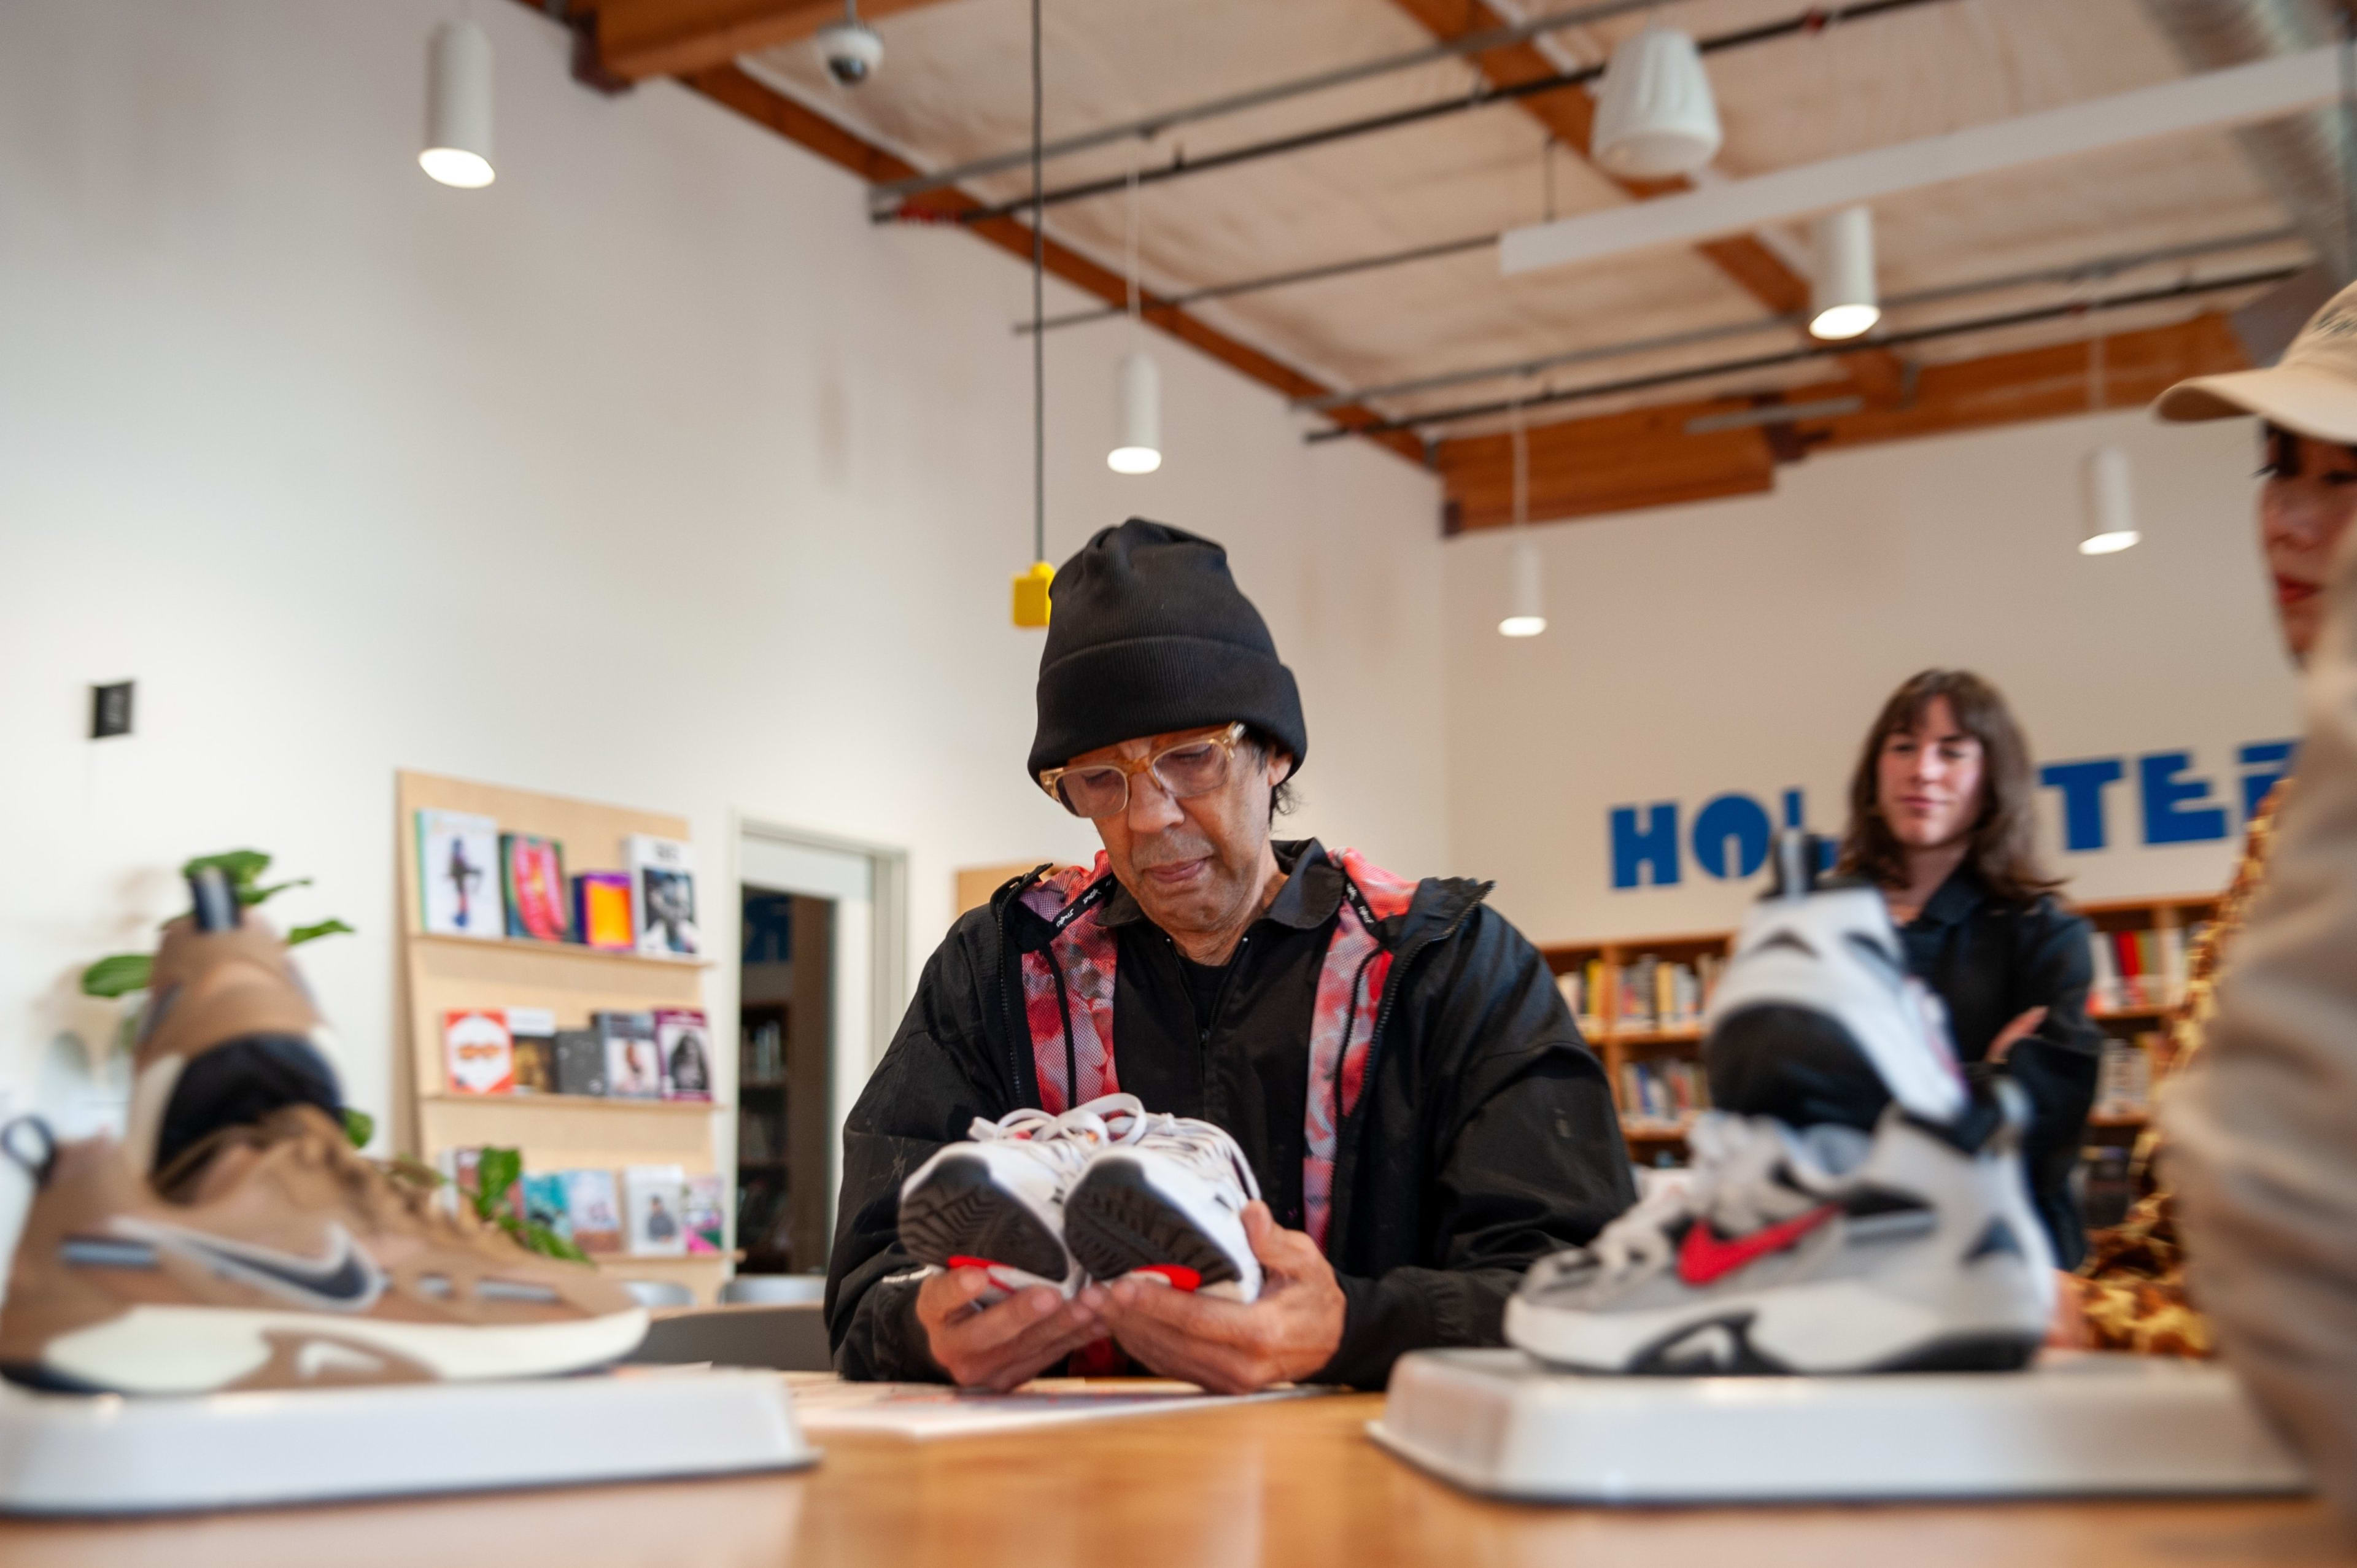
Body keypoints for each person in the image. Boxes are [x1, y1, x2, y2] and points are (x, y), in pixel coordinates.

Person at [824, 518, 1635, 1391]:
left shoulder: (1449, 965)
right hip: (1062, 1499)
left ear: (1273, 751)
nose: (1148, 815)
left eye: (1191, 758)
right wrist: (925, 1330)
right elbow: (867, 1284)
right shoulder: (995, 967)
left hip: (1376, 1494)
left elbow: (1590, 1292)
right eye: (1100, 778)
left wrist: (1349, 1327)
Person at [2067, 279, 2357, 1358]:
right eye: (2279, 465)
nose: (2288, 516)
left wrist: (2100, 1321)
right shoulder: (2299, 813)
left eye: (2346, 476)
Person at [1832, 670, 2102, 1267]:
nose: (1922, 769)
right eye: (1903, 746)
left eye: (1951, 751)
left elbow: (2039, 1136)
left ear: (1993, 777)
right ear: (1874, 771)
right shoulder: (1816, 925)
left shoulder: (2045, 932)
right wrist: (1989, 1077)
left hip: (2008, 1269)